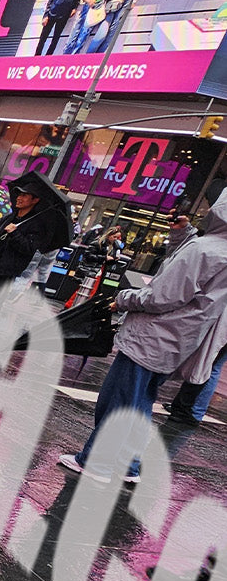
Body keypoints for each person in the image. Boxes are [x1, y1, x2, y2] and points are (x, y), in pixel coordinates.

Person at [59, 191, 227, 480]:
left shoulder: (204, 249)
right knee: (138, 402)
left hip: (155, 335)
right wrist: (181, 235)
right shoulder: (214, 249)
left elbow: (164, 296)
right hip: (179, 338)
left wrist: (122, 298)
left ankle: (97, 463)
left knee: (119, 401)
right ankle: (128, 465)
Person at [0, 173, 69, 354]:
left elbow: (29, 249)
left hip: (7, 270)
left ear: (35, 200)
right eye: (19, 194)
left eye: (24, 195)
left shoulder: (37, 225)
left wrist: (15, 233)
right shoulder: (10, 217)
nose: (20, 198)